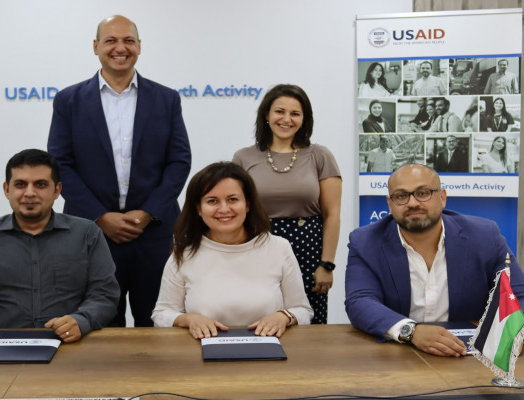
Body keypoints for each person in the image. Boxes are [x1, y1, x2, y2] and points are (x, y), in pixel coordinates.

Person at [47, 15, 192, 327]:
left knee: (158, 324)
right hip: (91, 233)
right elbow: (60, 166)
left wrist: (147, 213)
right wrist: (101, 217)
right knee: (97, 326)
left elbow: (179, 162)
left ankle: (156, 380)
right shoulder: (68, 101)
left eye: (128, 40)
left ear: (139, 46)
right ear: (96, 47)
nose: (120, 47)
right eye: (111, 40)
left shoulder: (166, 99)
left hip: (154, 235)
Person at [345, 163, 524, 357]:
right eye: (401, 196)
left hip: (468, 356)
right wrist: (411, 331)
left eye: (423, 193)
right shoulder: (364, 241)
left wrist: (514, 331)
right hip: (396, 354)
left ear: (442, 197)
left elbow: (517, 293)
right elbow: (360, 301)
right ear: (390, 204)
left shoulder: (485, 236)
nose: (412, 203)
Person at [0, 149, 120, 347]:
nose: (30, 193)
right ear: (6, 189)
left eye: (40, 184)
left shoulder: (87, 234)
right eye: (20, 184)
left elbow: (105, 294)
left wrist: (82, 320)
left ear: (57, 190)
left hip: (70, 348)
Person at [151, 162, 313, 338]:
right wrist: (189, 320)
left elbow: (303, 310)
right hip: (202, 353)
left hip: (268, 352)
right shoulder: (184, 253)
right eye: (212, 201)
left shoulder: (278, 247)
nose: (224, 209)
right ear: (198, 208)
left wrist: (284, 316)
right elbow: (161, 315)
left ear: (248, 204)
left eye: (232, 199)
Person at [232, 84, 341, 324]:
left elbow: (332, 214)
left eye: (295, 113)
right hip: (257, 245)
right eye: (279, 111)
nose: (286, 119)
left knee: (305, 319)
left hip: (308, 247)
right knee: (259, 316)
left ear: (304, 119)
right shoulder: (244, 157)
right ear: (266, 115)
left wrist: (327, 264)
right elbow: (236, 210)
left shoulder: (320, 155)